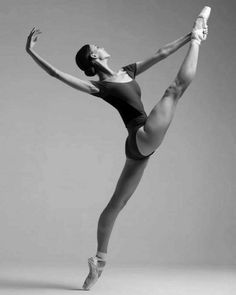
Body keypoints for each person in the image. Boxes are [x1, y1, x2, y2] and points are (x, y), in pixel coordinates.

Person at [26, 6, 211, 290]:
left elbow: (161, 52)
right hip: (142, 135)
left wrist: (186, 36)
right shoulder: (100, 87)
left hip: (137, 144)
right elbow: (55, 74)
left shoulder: (126, 71)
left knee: (115, 206)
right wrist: (31, 52)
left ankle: (98, 262)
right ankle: (200, 38)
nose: (101, 45)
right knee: (174, 90)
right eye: (96, 46)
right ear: (93, 57)